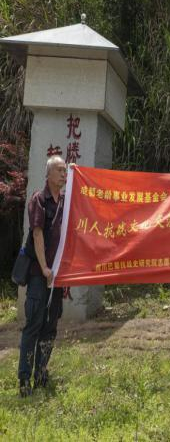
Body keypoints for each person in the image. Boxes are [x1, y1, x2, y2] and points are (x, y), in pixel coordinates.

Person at [18, 155, 67, 397]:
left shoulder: (66, 202)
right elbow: (37, 234)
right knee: (34, 326)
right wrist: (45, 267)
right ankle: (24, 380)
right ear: (48, 174)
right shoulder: (39, 199)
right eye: (59, 170)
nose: (64, 174)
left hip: (57, 278)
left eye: (65, 170)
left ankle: (41, 373)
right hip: (40, 275)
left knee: (50, 328)